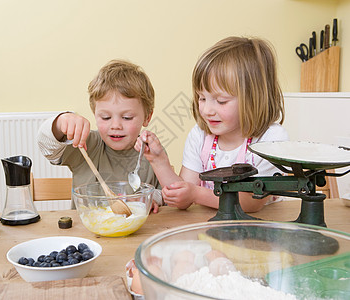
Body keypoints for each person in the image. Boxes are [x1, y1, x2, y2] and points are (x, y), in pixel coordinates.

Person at [136, 36, 288, 212]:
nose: (207, 110)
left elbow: (252, 202)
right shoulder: (200, 136)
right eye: (201, 98)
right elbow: (182, 198)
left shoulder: (271, 139)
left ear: (254, 99)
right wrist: (158, 160)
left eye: (221, 101)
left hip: (259, 230)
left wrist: (196, 194)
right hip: (210, 229)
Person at [37, 59, 162, 211]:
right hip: (85, 233)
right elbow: (47, 148)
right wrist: (60, 122)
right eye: (105, 117)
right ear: (95, 114)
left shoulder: (151, 153)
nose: (115, 125)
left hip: (142, 233)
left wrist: (153, 198)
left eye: (127, 117)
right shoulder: (87, 144)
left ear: (147, 117)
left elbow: (165, 194)